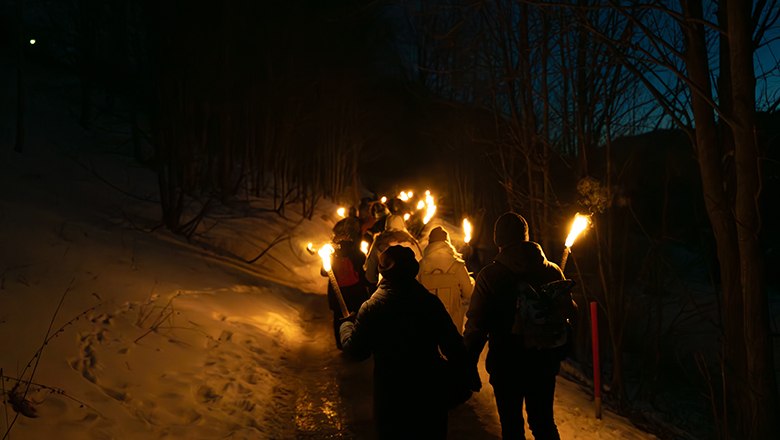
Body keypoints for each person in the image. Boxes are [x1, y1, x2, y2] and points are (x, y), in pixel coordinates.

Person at [339, 245, 474, 440]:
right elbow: (454, 347)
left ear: (382, 271)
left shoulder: (372, 307)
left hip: (392, 397)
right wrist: (465, 375)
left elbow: (356, 351)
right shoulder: (429, 303)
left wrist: (346, 326)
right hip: (428, 396)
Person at [463, 212, 574, 440]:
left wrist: (467, 364)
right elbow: (569, 312)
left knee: (512, 426)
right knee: (543, 423)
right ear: (526, 236)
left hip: (506, 364)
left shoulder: (490, 275)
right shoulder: (552, 270)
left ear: (498, 239)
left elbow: (476, 325)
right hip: (543, 362)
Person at [418, 226, 475, 333]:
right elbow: (468, 292)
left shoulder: (421, 265)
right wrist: (471, 281)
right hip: (452, 324)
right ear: (447, 241)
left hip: (427, 323)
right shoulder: (457, 265)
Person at [321, 238, 371, 350]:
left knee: (354, 316)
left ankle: (356, 342)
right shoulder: (333, 258)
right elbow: (324, 271)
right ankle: (345, 343)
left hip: (354, 291)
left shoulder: (355, 256)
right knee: (343, 316)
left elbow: (363, 267)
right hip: (345, 291)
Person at [363, 214, 423, 288]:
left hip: (387, 287)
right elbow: (420, 264)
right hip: (410, 286)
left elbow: (370, 271)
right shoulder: (412, 243)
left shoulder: (378, 243)